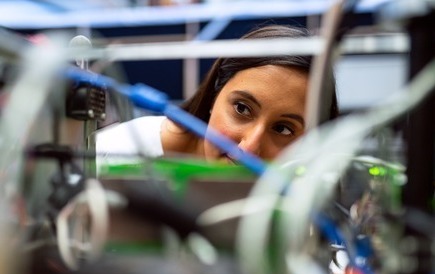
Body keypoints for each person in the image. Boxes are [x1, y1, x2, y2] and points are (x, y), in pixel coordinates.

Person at [96, 24, 339, 166]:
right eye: (242, 109)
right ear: (214, 95)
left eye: (283, 129)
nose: (249, 147)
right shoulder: (114, 156)